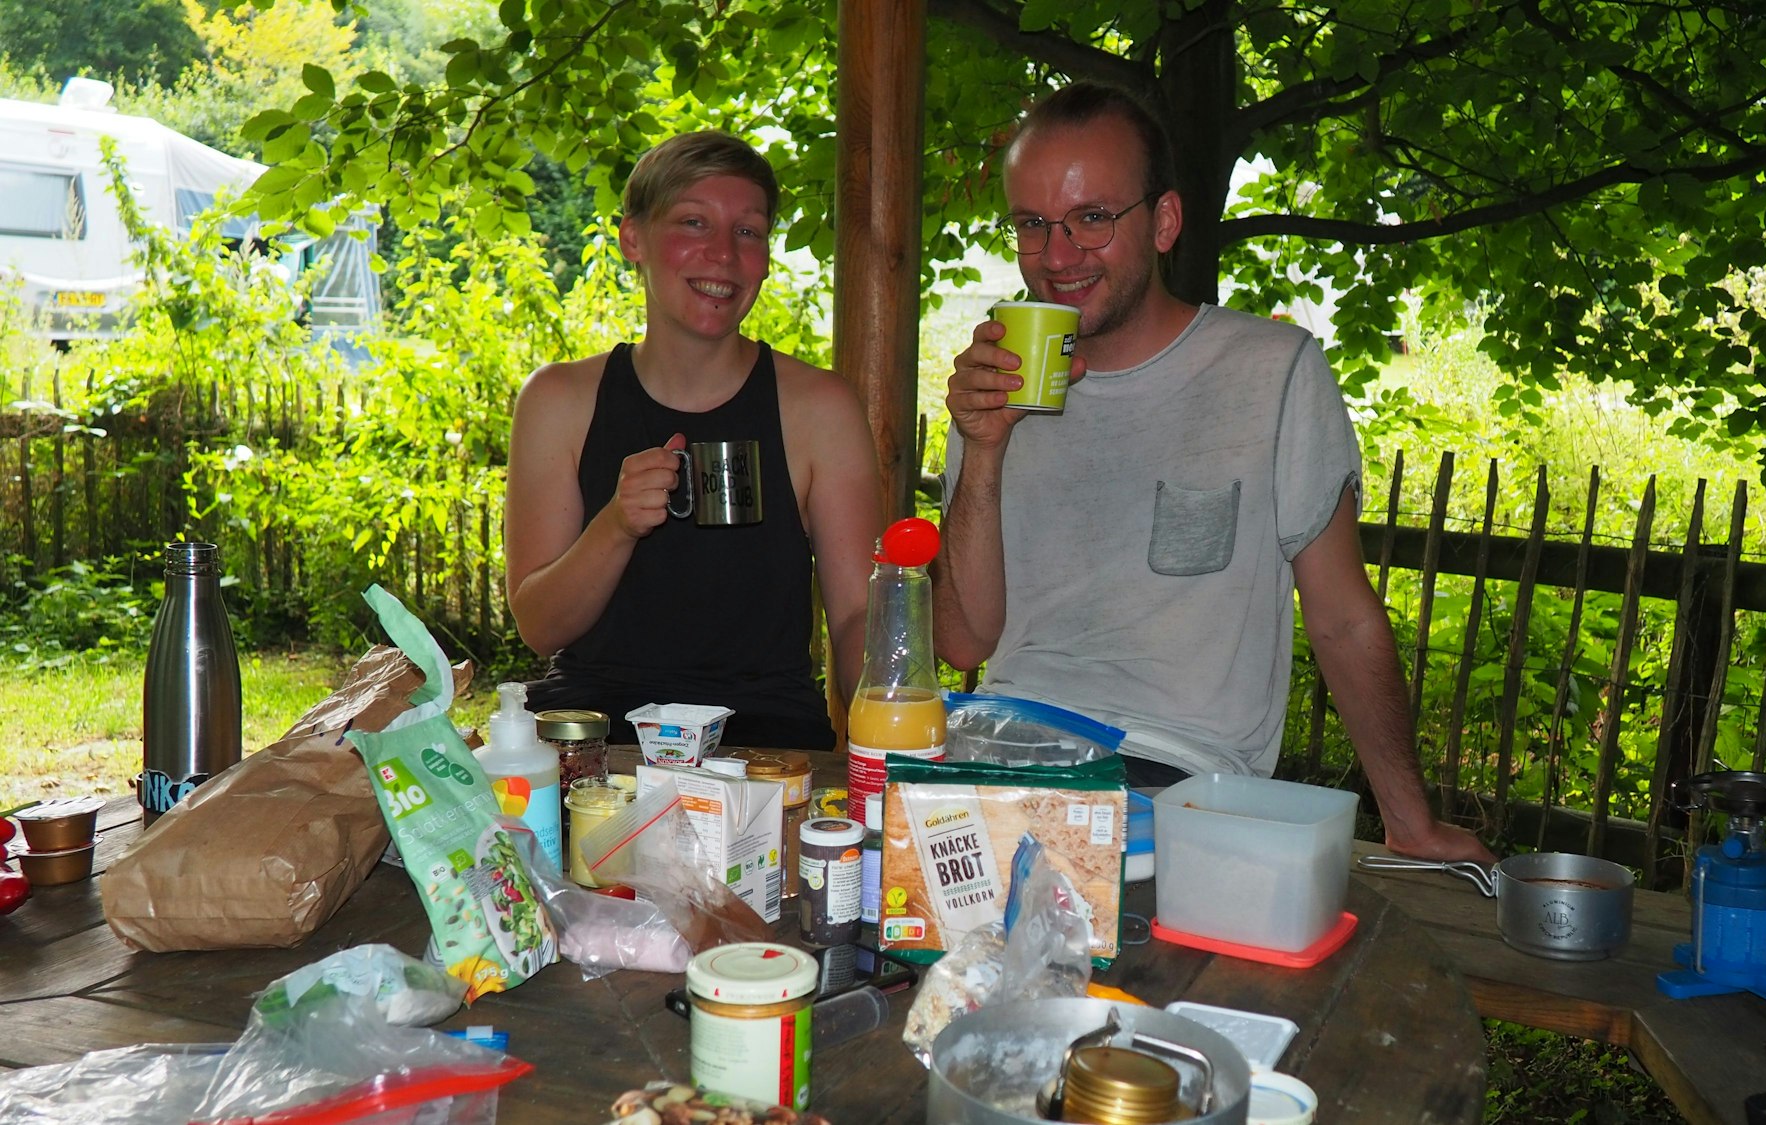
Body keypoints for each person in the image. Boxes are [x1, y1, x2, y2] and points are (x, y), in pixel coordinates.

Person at [934, 83, 1491, 861]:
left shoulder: (1270, 372)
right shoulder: (999, 377)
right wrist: (983, 450)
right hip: (995, 749)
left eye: (1092, 218)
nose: (1057, 257)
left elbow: (1340, 616)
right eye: (1033, 225)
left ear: (1163, 222)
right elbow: (965, 639)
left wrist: (1410, 820)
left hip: (1178, 778)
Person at [505, 132, 882, 749]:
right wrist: (617, 524)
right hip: (596, 740)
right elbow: (541, 627)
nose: (724, 255)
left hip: (766, 743)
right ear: (633, 239)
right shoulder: (559, 401)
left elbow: (854, 617)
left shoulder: (820, 408)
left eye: (748, 231)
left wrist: (893, 730)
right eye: (693, 222)